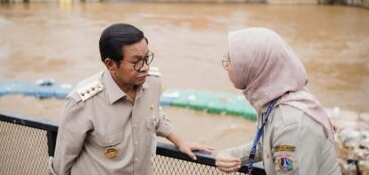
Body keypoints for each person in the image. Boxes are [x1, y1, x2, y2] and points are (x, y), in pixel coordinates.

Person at [50, 23, 213, 175]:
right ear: (110, 65)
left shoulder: (152, 82)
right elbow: (62, 161)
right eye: (136, 62)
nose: (145, 67)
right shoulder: (83, 102)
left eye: (147, 58)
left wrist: (180, 142)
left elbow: (155, 116)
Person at [215, 27, 341, 175]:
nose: (227, 66)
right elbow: (268, 144)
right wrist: (229, 155)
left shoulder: (291, 126)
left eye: (231, 60)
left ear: (252, 66)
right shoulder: (275, 99)